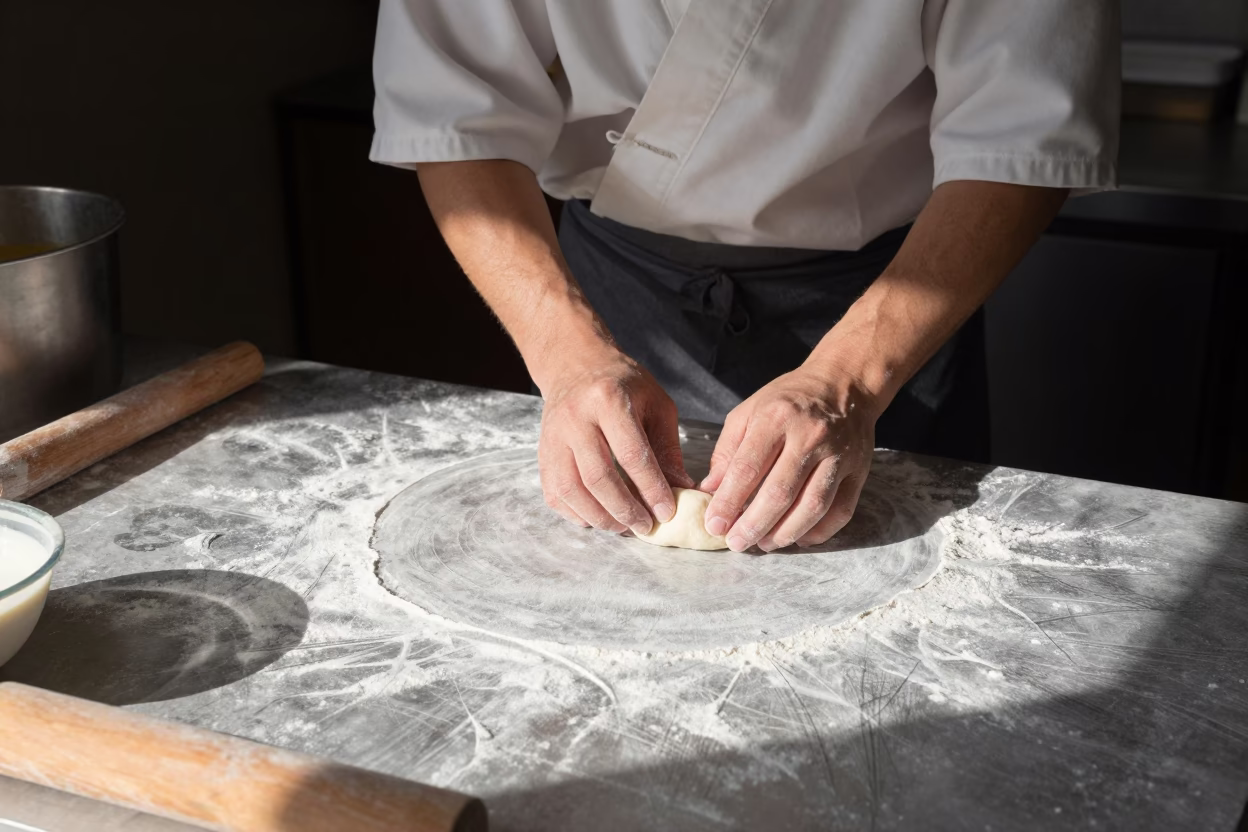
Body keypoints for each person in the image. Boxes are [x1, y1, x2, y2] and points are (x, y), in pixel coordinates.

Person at [371, 1, 1120, 552]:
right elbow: (455, 117)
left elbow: (1020, 134)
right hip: (602, 291)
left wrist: (846, 383)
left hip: (889, 305)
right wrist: (568, 359)